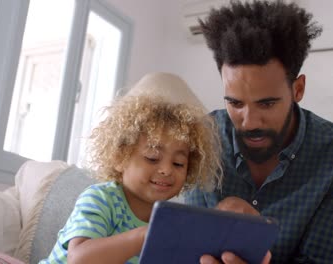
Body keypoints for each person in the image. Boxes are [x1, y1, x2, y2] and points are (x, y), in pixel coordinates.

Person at [184, 1, 333, 263]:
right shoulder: (199, 138)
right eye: (235, 103)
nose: (249, 123)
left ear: (298, 89)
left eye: (267, 103)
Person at [40, 81, 223, 263]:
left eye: (178, 163)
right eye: (152, 158)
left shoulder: (167, 221)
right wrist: (145, 235)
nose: (167, 170)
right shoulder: (102, 198)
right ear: (120, 158)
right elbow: (79, 259)